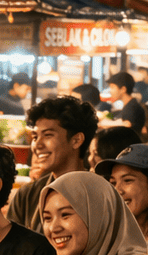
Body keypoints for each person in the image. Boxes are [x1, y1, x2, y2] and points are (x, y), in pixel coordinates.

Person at [7, 96, 98, 232]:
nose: (37, 145)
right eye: (35, 137)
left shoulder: (101, 194)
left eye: (48, 135)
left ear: (76, 140)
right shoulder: (27, 196)